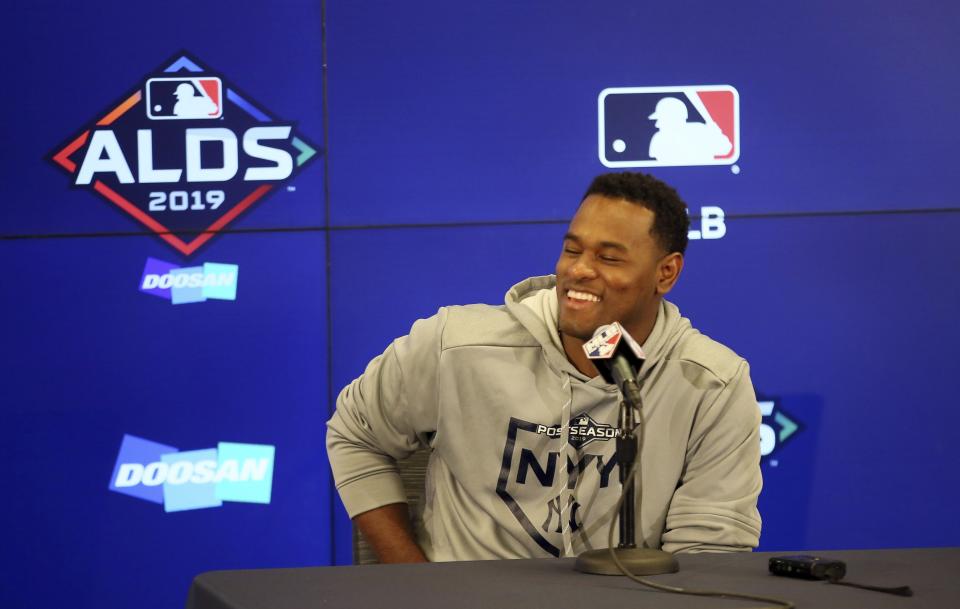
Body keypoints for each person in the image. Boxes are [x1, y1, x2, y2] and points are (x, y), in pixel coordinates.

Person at [326, 171, 762, 563]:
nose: (579, 270)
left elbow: (709, 553)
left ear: (665, 273)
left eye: (608, 258)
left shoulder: (711, 383)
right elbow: (354, 433)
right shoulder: (457, 346)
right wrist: (415, 582)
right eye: (572, 249)